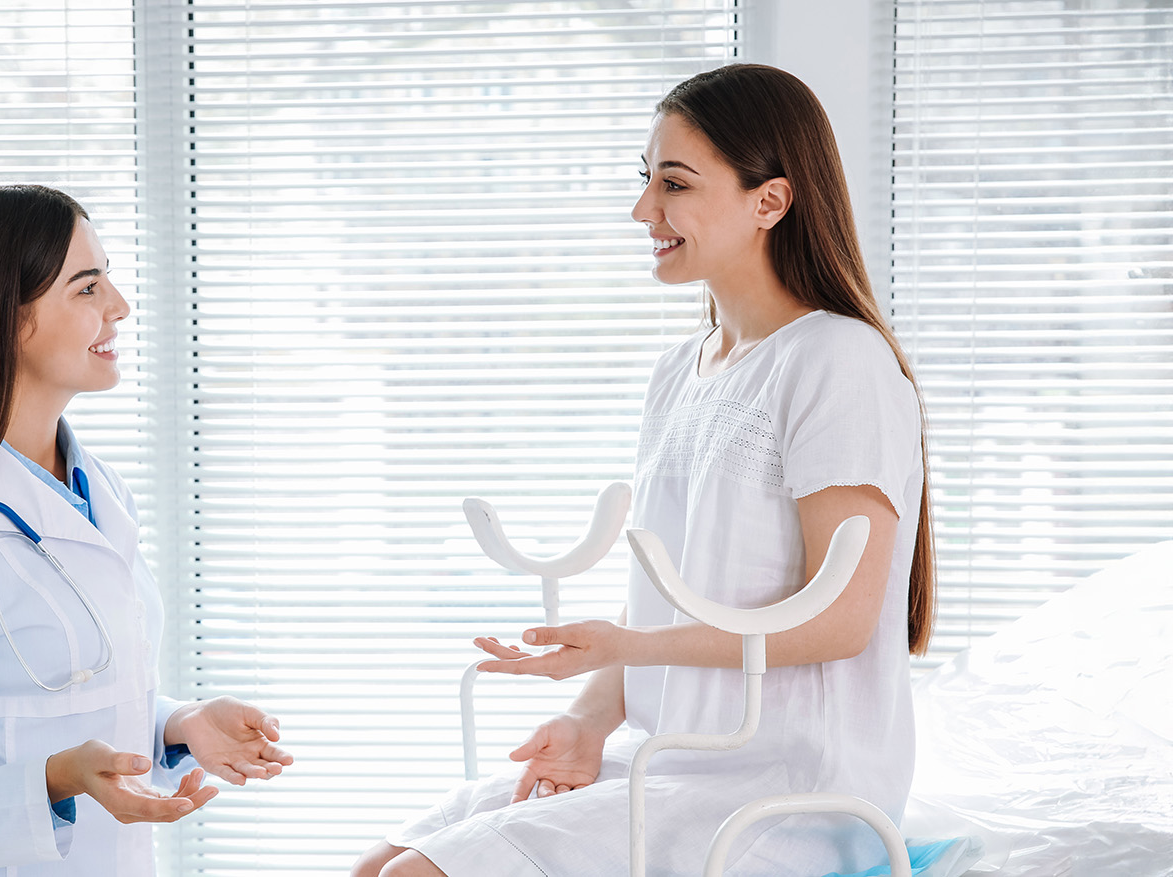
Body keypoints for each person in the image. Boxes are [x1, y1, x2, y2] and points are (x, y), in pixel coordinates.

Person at [352, 64, 936, 877]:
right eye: (646, 179)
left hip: (785, 782)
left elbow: (842, 620)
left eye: (675, 183)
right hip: (664, 756)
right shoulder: (682, 370)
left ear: (769, 201)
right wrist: (590, 716)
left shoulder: (838, 360)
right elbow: (670, 596)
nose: (643, 211)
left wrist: (623, 643)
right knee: (376, 864)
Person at [0, 185, 293, 876]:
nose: (120, 305)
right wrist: (54, 780)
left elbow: (49, 695)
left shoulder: (99, 491)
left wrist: (176, 725)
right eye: (87, 286)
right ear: (5, 319)